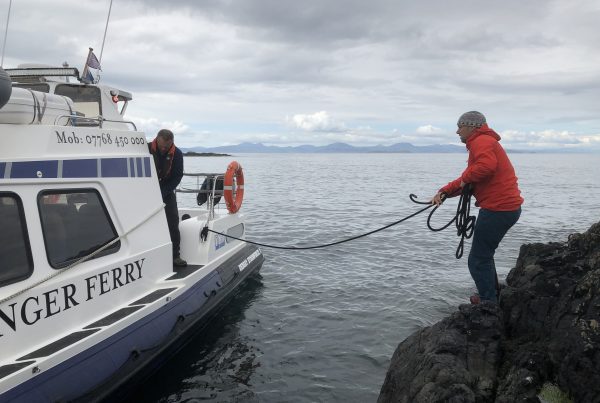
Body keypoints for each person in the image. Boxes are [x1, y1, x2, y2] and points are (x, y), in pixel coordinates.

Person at [431, 111, 523, 303]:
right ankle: (493, 293)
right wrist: (444, 192)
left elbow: (484, 168)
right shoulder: (484, 143)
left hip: (498, 209)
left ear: (471, 126)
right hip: (506, 208)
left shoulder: (481, 141)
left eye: (460, 126)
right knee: (485, 255)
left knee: (477, 260)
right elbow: (471, 177)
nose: (457, 131)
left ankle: (488, 303)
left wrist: (464, 180)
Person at [149, 129, 187, 268]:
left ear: (172, 143)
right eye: (162, 146)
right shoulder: (145, 148)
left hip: (166, 190)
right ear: (157, 140)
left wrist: (162, 192)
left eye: (167, 146)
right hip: (145, 189)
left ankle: (175, 256)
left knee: (172, 221)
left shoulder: (177, 154)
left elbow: (177, 176)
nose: (164, 149)